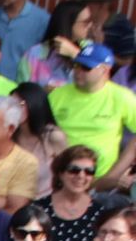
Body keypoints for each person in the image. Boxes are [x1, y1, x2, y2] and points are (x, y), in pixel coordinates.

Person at [49, 43, 136, 178]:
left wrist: (120, 170)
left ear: (105, 70)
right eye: (76, 65)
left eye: (86, 67)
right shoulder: (57, 95)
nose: (78, 71)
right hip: (60, 175)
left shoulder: (122, 97)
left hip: (101, 179)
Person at [17, 0, 92, 90]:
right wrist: (43, 92)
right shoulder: (35, 54)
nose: (90, 25)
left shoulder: (90, 49)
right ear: (68, 23)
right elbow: (22, 90)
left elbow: (98, 79)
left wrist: (75, 54)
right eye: (86, 22)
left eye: (90, 21)